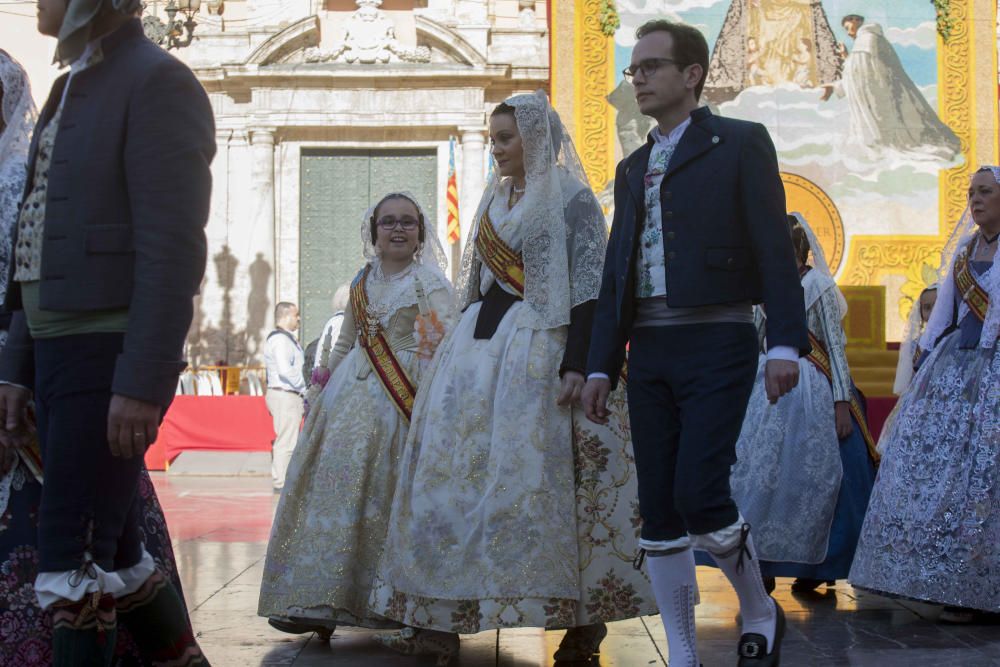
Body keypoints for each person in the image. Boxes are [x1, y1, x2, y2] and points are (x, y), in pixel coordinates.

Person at [370, 91, 657, 665]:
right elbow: (477, 282)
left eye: (506, 137)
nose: (496, 148)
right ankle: (440, 611)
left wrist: (580, 362)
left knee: (554, 486)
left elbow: (590, 290)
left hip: (543, 351)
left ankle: (583, 622)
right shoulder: (491, 198)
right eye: (494, 137)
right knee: (450, 480)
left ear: (537, 137)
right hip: (475, 356)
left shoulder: (573, 198)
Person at [581, 20, 809, 667]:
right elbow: (617, 272)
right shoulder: (631, 167)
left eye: (651, 66)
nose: (639, 78)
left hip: (720, 337)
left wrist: (785, 344)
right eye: (634, 68)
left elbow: (772, 244)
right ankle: (682, 650)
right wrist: (600, 363)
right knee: (658, 506)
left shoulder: (738, 143)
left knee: (701, 494)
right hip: (648, 350)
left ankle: (757, 604)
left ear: (692, 75)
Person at [0, 1, 214, 665]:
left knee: (73, 551)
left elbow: (172, 248)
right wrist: (16, 365)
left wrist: (144, 379)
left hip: (106, 353)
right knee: (116, 547)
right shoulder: (70, 86)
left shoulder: (157, 82)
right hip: (58, 351)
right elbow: (34, 251)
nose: (39, 2)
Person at [258, 192, 452, 638]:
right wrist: (321, 387)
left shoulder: (429, 284)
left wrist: (428, 399)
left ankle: (398, 603)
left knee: (389, 495)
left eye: (407, 222)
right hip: (349, 400)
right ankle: (321, 600)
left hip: (405, 398)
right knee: (334, 495)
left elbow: (438, 345)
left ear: (420, 233)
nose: (398, 229)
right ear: (373, 231)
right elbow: (345, 342)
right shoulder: (362, 281)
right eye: (389, 222)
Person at [849, 166, 1000, 625]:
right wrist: (925, 358)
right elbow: (943, 317)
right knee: (949, 474)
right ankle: (948, 579)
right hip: (958, 369)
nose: (975, 200)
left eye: (986, 192)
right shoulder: (963, 250)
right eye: (972, 193)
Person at [723, 214, 877, 595]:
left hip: (814, 390)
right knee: (759, 479)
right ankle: (763, 562)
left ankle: (818, 564)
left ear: (799, 252)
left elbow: (836, 350)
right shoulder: (764, 287)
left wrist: (842, 402)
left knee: (820, 477)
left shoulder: (819, 285)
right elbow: (756, 338)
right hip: (766, 390)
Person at [820, 15, 959, 159]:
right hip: (884, 90)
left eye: (848, 27)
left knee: (888, 139)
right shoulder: (870, 39)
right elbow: (860, 70)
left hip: (881, 95)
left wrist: (836, 85)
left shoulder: (867, 37)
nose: (848, 32)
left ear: (857, 21)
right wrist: (845, 57)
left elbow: (860, 72)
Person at [264, 302, 305, 491]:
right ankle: (281, 482)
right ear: (286, 316)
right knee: (286, 440)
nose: (298, 319)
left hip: (289, 394)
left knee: (290, 439)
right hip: (285, 395)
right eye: (296, 315)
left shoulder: (287, 340)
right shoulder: (280, 341)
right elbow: (285, 370)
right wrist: (305, 386)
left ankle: (285, 479)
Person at [892, 284, 938, 395]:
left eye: (937, 306)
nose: (932, 312)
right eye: (927, 308)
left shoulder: (953, 339)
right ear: (920, 312)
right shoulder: (916, 344)